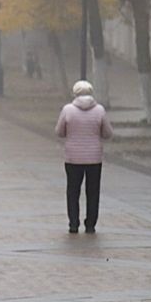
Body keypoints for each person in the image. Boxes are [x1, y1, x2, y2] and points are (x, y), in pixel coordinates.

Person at [55, 80, 113, 234]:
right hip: (94, 158)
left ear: (75, 93)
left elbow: (59, 132)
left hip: (73, 157)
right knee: (93, 191)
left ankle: (74, 223)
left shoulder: (68, 110)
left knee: (73, 191)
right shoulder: (100, 110)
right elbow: (108, 133)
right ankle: (90, 225)